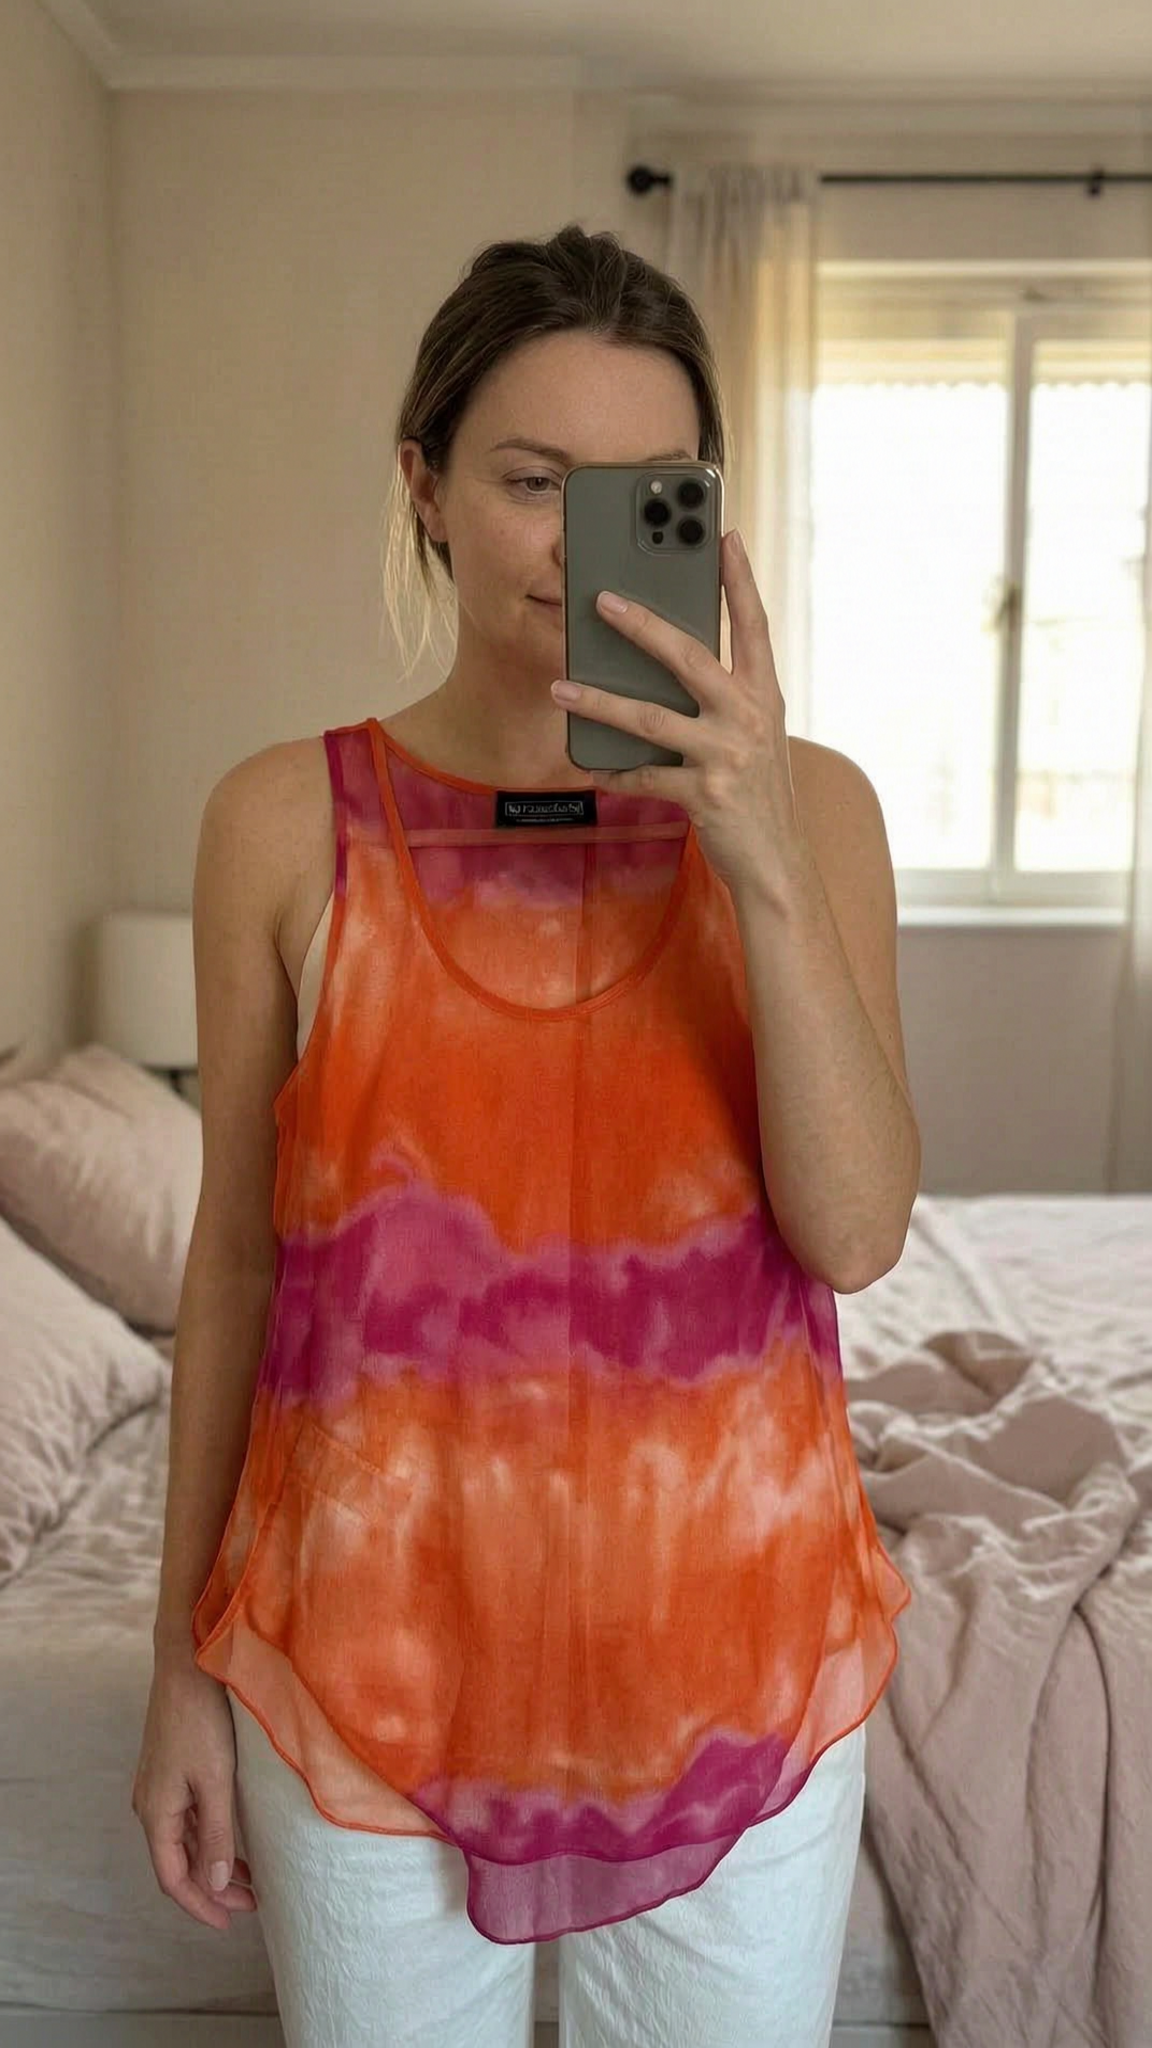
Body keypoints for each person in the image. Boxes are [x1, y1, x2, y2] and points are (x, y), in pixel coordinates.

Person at [131, 222, 913, 2048]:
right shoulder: (280, 824)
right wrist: (180, 1666)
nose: (579, 541)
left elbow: (858, 1233)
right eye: (532, 480)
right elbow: (235, 1267)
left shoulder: (817, 812)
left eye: (641, 492)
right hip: (361, 1652)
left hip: (734, 1651)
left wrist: (758, 856)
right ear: (424, 486)